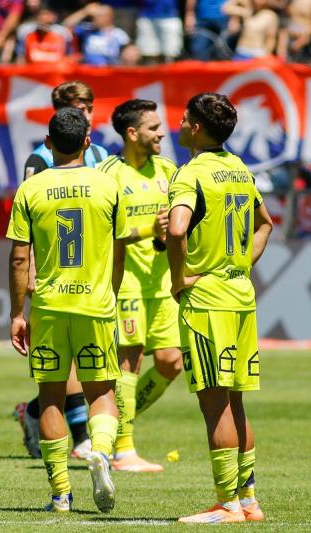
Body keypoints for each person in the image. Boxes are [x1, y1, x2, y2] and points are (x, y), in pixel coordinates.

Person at [7, 107, 127, 512]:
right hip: (96, 304)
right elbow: (120, 249)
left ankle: (60, 494)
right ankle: (101, 451)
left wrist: (17, 313)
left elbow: (19, 258)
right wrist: (110, 292)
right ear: (87, 143)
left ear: (47, 143)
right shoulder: (108, 185)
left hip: (49, 307)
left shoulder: (31, 189)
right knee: (102, 393)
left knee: (51, 398)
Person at [167, 93, 273, 523]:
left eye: (183, 118)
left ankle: (226, 504)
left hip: (207, 302)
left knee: (215, 405)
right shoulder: (240, 169)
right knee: (236, 401)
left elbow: (177, 230)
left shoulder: (190, 172)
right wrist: (241, 264)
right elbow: (266, 224)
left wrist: (178, 279)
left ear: (195, 128)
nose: (178, 123)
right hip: (240, 295)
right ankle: (248, 501)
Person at [13, 81, 109, 460]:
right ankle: (85, 438)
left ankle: (35, 413)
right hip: (55, 274)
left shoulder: (101, 154)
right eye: (78, 107)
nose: (85, 113)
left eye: (89, 106)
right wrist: (32, 274)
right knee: (69, 368)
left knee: (79, 367)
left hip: (94, 274)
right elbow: (31, 225)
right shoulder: (40, 160)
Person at [96, 99, 182, 473]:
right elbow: (100, 230)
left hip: (163, 283)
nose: (162, 133)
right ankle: (124, 450)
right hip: (126, 282)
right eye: (154, 127)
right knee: (128, 363)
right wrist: (149, 229)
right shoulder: (107, 174)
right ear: (132, 133)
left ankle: (117, 419)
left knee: (171, 362)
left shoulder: (169, 170)